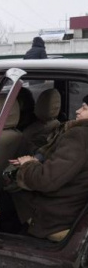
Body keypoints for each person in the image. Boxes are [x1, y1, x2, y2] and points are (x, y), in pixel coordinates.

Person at [9, 95, 88, 239]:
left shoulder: (79, 136)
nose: (77, 110)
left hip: (55, 215)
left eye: (84, 108)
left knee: (6, 196)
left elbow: (46, 180)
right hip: (72, 205)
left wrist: (28, 164)